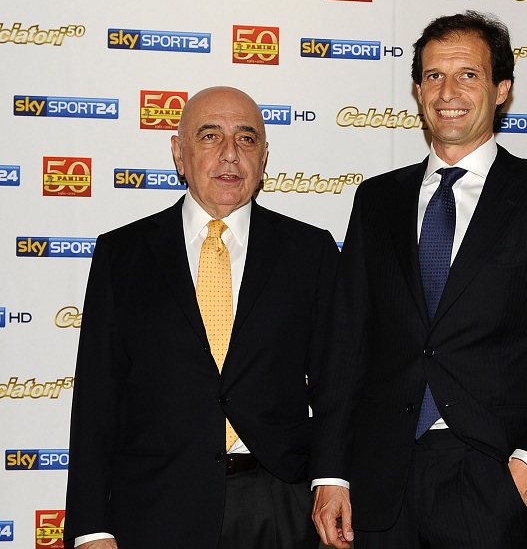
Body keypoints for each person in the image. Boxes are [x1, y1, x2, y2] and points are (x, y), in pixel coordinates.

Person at [310, 10, 527, 549]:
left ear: (501, 89)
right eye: (433, 76)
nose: (448, 91)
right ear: (418, 90)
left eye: (468, 74)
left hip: (489, 477)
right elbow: (344, 348)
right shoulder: (376, 199)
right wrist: (331, 473)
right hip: (380, 480)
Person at [64, 86, 339, 548]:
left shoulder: (310, 251)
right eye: (210, 136)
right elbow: (97, 398)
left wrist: (333, 479)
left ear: (264, 156)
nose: (230, 153)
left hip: (279, 505)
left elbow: (337, 384)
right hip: (156, 506)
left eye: (246, 138)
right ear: (179, 153)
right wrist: (90, 527)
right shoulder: (123, 254)